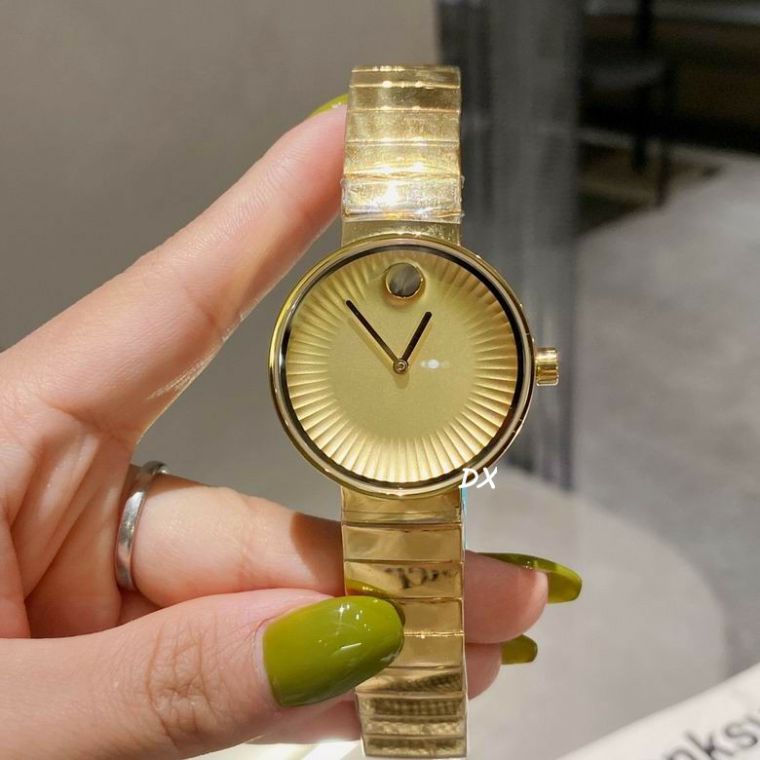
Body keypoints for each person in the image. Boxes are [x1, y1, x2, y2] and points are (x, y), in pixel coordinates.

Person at [0, 100, 579, 758]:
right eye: (393, 357)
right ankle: (407, 727)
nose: (401, 366)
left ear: (532, 367)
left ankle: (415, 726)